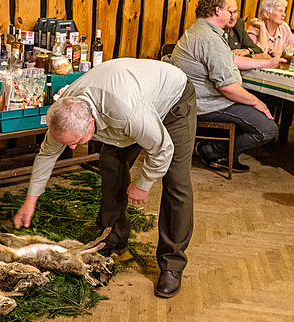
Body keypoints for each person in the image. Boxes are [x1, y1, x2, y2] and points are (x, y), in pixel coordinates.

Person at [13, 58, 197, 298]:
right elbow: (47, 154)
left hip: (173, 100)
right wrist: (31, 200)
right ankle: (112, 236)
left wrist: (143, 184)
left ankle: (172, 265)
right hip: (133, 100)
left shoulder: (126, 113)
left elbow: (162, 148)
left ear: (91, 123)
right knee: (110, 162)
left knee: (176, 181)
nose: (72, 148)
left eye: (77, 142)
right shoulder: (66, 110)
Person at [172, 0, 280, 173]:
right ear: (218, 11)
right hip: (207, 104)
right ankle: (212, 150)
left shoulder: (201, 30)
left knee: (257, 104)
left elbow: (231, 59)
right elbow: (227, 87)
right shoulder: (208, 38)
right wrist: (257, 102)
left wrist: (267, 63)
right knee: (268, 128)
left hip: (197, 99)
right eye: (231, 11)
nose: (233, 17)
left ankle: (216, 149)